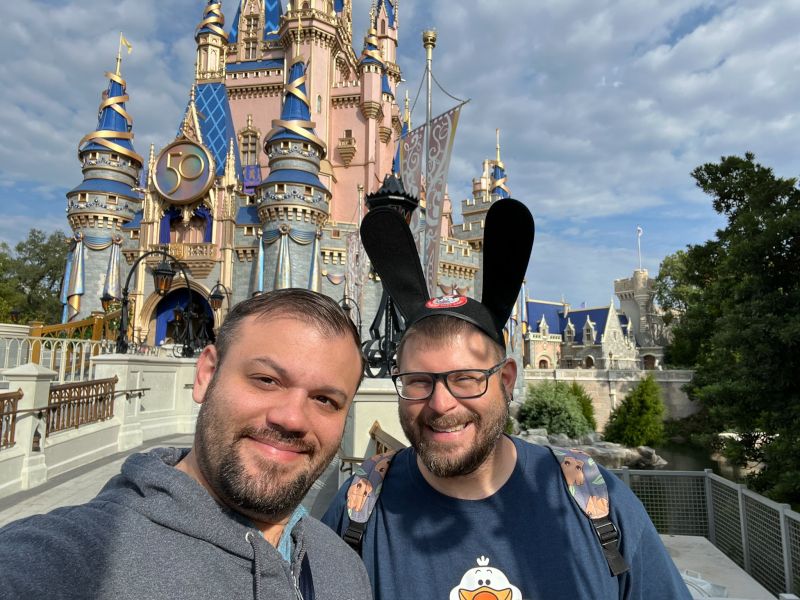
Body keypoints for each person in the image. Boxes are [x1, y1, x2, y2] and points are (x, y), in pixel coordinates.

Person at [323, 200, 692, 599]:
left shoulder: (596, 502)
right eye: (417, 381)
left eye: (466, 379)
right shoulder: (360, 507)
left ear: (507, 380)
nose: (441, 404)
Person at [0, 289, 373, 600]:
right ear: (206, 375)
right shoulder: (62, 562)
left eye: (326, 400)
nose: (292, 418)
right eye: (266, 380)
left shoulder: (341, 569)